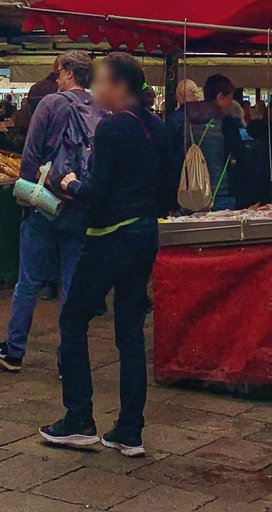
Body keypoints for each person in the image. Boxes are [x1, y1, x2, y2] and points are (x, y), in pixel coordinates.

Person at [40, 51, 175, 456]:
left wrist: (69, 183)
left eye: (100, 81)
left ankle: (79, 417)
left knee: (73, 316)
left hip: (110, 236)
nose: (95, 89)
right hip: (145, 234)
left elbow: (96, 195)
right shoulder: (159, 128)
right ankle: (129, 428)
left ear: (119, 85)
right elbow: (166, 193)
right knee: (130, 332)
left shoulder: (113, 129)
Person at [0, 51, 102, 374]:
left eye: (59, 71)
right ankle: (69, 357)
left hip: (44, 206)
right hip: (78, 206)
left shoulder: (51, 104)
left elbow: (29, 158)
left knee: (29, 280)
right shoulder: (99, 110)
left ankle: (14, 350)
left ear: (67, 72)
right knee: (71, 285)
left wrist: (33, 192)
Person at [168, 74, 240, 212]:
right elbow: (240, 155)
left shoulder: (178, 120)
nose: (231, 103)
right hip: (220, 193)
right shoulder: (227, 123)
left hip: (186, 194)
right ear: (220, 97)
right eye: (230, 99)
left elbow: (170, 159)